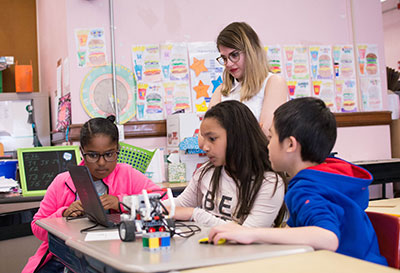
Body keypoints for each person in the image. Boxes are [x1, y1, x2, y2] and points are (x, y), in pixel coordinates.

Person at [208, 97, 387, 266]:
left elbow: (328, 238)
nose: (267, 145)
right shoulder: (326, 177)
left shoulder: (306, 189)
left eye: (271, 138)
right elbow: (299, 229)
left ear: (290, 145)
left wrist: (251, 233)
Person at [23, 115, 163, 273]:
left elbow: (163, 200)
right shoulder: (62, 182)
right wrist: (63, 214)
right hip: (63, 259)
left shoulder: (127, 174)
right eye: (93, 155)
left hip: (112, 257)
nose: (102, 162)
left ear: (118, 149)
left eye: (109, 154)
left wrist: (122, 202)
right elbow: (37, 227)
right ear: (81, 151)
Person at [163, 100, 285, 228]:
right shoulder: (207, 171)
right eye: (204, 138)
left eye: (212, 139)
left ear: (236, 136)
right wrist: (148, 207)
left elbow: (247, 234)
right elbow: (181, 203)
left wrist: (195, 214)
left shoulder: (269, 182)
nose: (205, 147)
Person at [209, 21, 288, 134]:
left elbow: (266, 134)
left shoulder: (273, 83)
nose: (229, 64)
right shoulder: (221, 91)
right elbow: (204, 137)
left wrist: (221, 135)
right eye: (224, 58)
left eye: (234, 55)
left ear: (251, 52)